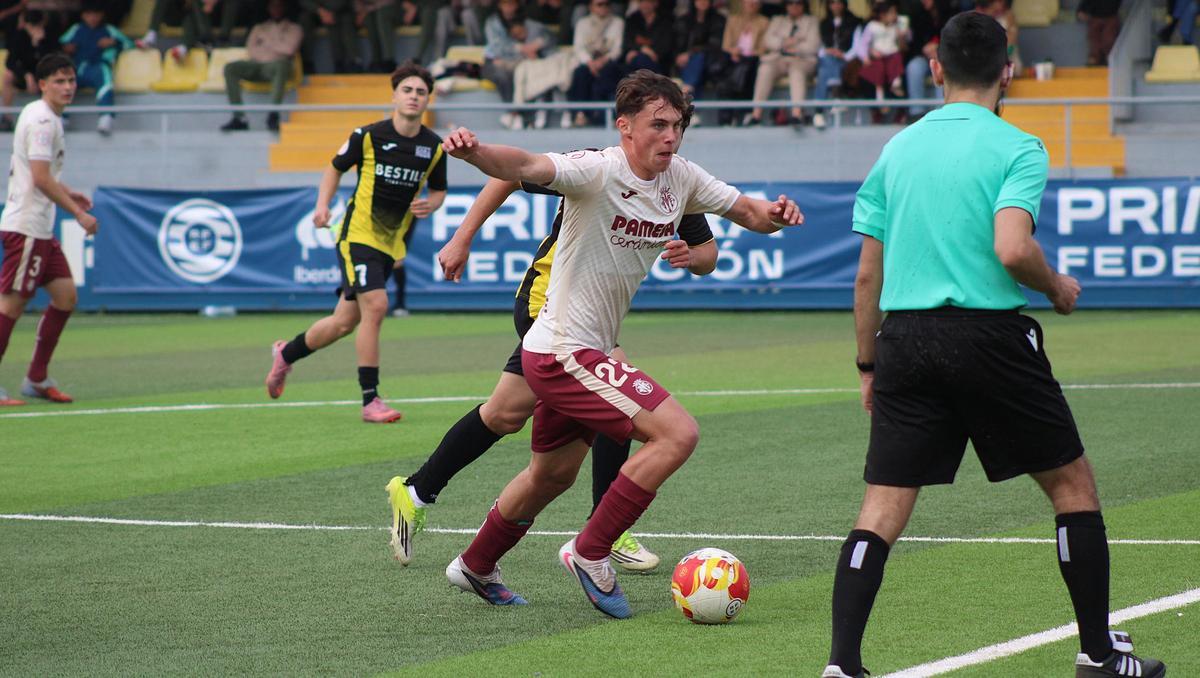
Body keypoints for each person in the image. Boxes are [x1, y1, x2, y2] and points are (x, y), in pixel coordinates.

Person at [821, 13, 1165, 678]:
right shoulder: (1018, 146)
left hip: (906, 339)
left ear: (937, 69)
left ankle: (842, 665)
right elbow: (1012, 248)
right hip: (988, 336)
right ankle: (1098, 654)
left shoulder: (898, 149)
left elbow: (867, 277)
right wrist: (1057, 286)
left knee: (882, 507)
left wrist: (868, 364)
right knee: (1072, 486)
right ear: (1008, 70)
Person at [437, 70, 803, 616]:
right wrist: (476, 153)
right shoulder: (597, 170)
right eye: (658, 125)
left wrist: (776, 216)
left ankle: (475, 563)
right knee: (677, 434)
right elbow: (523, 165)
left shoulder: (681, 178)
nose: (671, 136)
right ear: (625, 126)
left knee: (551, 475)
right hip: (564, 351)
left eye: (677, 126)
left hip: (580, 351)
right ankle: (591, 550)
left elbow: (750, 213)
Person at [386, 176, 719, 569]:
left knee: (504, 413)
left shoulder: (677, 184)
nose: (669, 144)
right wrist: (462, 238)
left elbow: (707, 254)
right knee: (618, 392)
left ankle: (416, 491)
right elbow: (507, 176)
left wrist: (691, 257)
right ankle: (606, 530)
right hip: (549, 303)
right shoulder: (596, 169)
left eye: (676, 138)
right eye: (660, 135)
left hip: (592, 319)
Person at [264, 62, 447, 423]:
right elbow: (334, 167)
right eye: (407, 90)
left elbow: (439, 190)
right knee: (376, 306)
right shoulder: (367, 135)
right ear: (394, 96)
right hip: (357, 234)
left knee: (343, 323)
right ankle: (370, 399)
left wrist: (433, 204)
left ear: (428, 99)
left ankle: (286, 354)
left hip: (390, 243)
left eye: (420, 92)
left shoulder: (434, 147)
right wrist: (322, 206)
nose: (413, 97)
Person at [0, 53, 99, 407]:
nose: (67, 87)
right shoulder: (44, 121)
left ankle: (37, 378)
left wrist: (67, 191)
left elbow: (36, 172)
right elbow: (40, 178)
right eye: (59, 81)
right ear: (42, 84)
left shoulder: (41, 114)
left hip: (39, 228)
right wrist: (78, 213)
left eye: (70, 80)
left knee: (65, 296)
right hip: (26, 227)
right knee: (11, 305)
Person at [218, 0, 302, 132]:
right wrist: (276, 47)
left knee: (281, 65)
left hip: (276, 66)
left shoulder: (294, 28)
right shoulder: (259, 28)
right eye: (273, 6)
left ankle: (273, 114)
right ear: (268, 8)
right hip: (257, 65)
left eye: (279, 5)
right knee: (230, 68)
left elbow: (289, 49)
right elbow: (251, 50)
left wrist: (266, 41)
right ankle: (239, 117)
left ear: (285, 8)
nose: (276, 9)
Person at [58, 1, 133, 135]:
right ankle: (61, 119)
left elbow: (129, 44)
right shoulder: (76, 29)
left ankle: (106, 118)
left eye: (96, 14)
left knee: (105, 79)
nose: (92, 18)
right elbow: (59, 44)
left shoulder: (109, 30)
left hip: (98, 67)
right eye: (89, 14)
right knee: (62, 81)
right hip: (76, 68)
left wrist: (113, 42)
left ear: (102, 15)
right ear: (83, 15)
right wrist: (67, 48)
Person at [745, 0, 820, 126]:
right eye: (790, 3)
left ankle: (797, 114)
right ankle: (756, 114)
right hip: (779, 57)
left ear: (804, 5)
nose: (794, 6)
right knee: (765, 69)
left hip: (801, 59)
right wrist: (784, 43)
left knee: (796, 72)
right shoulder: (778, 20)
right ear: (786, 6)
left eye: (798, 3)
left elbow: (814, 45)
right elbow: (768, 40)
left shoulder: (811, 21)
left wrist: (796, 48)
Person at [482, 0, 555, 130]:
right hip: (494, 62)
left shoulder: (526, 21)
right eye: (505, 4)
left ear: (517, 5)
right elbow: (497, 48)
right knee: (503, 75)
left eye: (512, 4)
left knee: (528, 73)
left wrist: (537, 44)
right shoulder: (492, 22)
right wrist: (521, 48)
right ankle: (513, 113)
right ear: (500, 5)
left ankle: (529, 117)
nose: (509, 7)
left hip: (519, 62)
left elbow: (548, 37)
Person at [566, 0, 623, 127]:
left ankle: (611, 116)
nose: (603, 7)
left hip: (609, 62)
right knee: (580, 73)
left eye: (607, 4)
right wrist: (590, 62)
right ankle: (580, 114)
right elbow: (578, 48)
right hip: (588, 63)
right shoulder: (583, 23)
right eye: (599, 4)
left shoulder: (618, 22)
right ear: (591, 7)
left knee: (610, 73)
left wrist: (603, 61)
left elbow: (617, 49)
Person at [2, 10, 56, 132]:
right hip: (24, 75)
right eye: (31, 26)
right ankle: (7, 118)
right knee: (8, 75)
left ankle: (51, 117)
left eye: (37, 26)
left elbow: (52, 61)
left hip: (44, 75)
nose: (33, 29)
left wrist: (39, 44)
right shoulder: (18, 36)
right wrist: (26, 75)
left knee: (54, 77)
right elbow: (10, 62)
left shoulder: (50, 36)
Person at [716, 0, 768, 125]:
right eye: (748, 2)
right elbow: (726, 45)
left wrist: (749, 53)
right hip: (733, 58)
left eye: (755, 3)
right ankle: (728, 118)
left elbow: (763, 48)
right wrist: (733, 51)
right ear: (743, 3)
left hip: (752, 59)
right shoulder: (733, 20)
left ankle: (736, 116)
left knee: (745, 72)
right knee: (726, 79)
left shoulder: (764, 22)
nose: (751, 5)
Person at [811, 0, 860, 129]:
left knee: (823, 71)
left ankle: (818, 112)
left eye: (839, 3)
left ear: (844, 4)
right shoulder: (824, 23)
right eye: (832, 3)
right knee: (827, 63)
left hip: (846, 60)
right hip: (827, 59)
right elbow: (820, 48)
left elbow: (857, 47)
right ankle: (836, 97)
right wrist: (829, 51)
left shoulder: (854, 22)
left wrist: (843, 55)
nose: (836, 6)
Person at [903, 0, 952, 121]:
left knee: (941, 68)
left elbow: (955, 41)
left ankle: (940, 112)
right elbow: (913, 44)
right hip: (924, 57)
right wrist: (924, 49)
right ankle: (916, 113)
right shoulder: (918, 15)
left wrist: (939, 49)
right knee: (914, 66)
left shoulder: (950, 14)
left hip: (946, 57)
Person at [673, 0, 726, 98]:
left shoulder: (718, 20)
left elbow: (714, 45)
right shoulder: (684, 20)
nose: (702, 2)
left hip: (710, 59)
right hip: (684, 60)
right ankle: (688, 90)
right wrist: (677, 56)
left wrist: (690, 54)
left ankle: (687, 86)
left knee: (698, 58)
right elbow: (676, 43)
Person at [298, 0, 358, 73]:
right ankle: (307, 63)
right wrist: (321, 11)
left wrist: (328, 12)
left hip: (338, 10)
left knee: (340, 19)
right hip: (315, 11)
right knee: (304, 18)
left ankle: (344, 63)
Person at [620, 0, 673, 74]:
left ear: (655, 3)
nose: (645, 5)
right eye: (642, 2)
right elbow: (627, 43)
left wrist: (644, 52)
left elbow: (665, 48)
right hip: (634, 59)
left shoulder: (665, 22)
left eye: (648, 2)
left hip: (657, 63)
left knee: (640, 60)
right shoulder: (632, 19)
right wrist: (642, 49)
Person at [356, 0, 397, 73]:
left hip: (389, 6)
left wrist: (365, 10)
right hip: (370, 9)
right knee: (369, 19)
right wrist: (361, 11)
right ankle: (376, 61)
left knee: (382, 15)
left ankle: (389, 60)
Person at [1076, 0, 1120, 66]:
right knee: (1094, 40)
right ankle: (1094, 58)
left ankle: (1109, 58)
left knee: (1109, 39)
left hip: (1111, 16)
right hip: (1095, 17)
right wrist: (1081, 10)